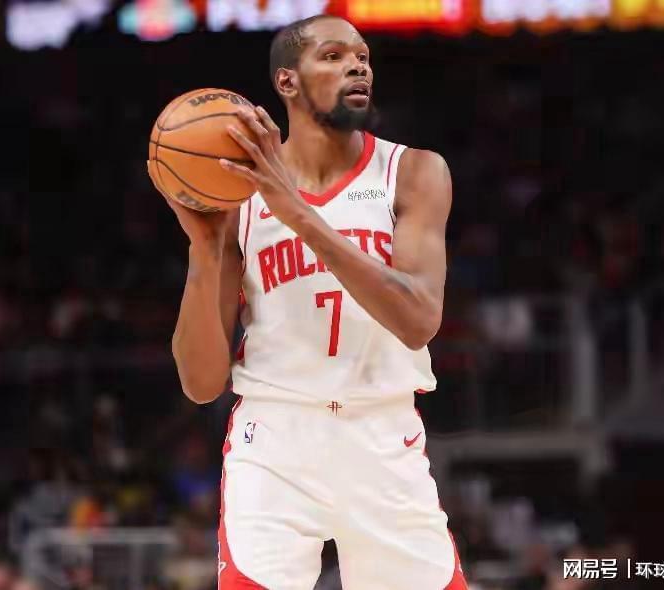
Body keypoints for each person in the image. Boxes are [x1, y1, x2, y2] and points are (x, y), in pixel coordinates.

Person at [147, 14, 467, 590]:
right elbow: (200, 384)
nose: (357, 66)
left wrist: (298, 214)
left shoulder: (413, 172)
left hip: (382, 435)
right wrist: (205, 250)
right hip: (275, 442)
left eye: (363, 56)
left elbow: (419, 320)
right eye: (334, 56)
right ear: (287, 81)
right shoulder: (236, 197)